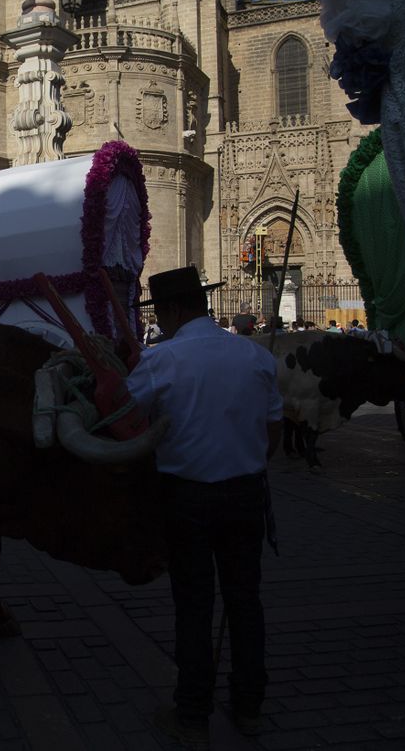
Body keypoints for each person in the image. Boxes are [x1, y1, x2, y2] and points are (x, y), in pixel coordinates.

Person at [126, 266, 282, 745]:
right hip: (246, 493)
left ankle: (192, 713)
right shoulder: (252, 356)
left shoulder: (161, 360)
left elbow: (126, 419)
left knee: (194, 605)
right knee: (245, 600)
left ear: (172, 310)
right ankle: (249, 705)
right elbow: (273, 432)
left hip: (186, 498)